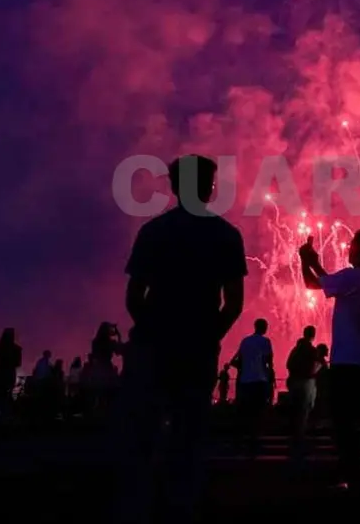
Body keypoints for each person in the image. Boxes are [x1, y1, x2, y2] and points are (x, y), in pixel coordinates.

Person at [116, 154, 247, 524]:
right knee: (190, 433)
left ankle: (138, 506)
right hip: (198, 346)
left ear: (174, 187)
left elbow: (133, 296)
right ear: (209, 188)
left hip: (153, 345)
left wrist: (152, 333)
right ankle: (182, 506)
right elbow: (233, 302)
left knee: (143, 431)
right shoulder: (226, 235)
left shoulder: (153, 232)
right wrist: (209, 336)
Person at [300, 230, 360, 493]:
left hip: (346, 362)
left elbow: (320, 281)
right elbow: (314, 284)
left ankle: (354, 479)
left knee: (343, 423)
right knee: (350, 423)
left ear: (359, 249)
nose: (347, 249)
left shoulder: (354, 277)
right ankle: (353, 475)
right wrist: (307, 261)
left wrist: (310, 259)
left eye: (351, 245)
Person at [233, 318, 273, 458]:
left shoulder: (246, 341)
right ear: (263, 327)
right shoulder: (265, 342)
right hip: (259, 380)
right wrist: (270, 377)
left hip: (245, 380)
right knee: (258, 411)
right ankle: (254, 441)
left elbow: (238, 359)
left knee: (246, 412)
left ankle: (242, 440)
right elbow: (268, 361)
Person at [286, 325, 320, 463]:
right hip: (307, 382)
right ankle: (300, 440)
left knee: (295, 410)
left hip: (294, 381)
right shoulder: (312, 350)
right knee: (304, 411)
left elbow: (288, 364)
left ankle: (294, 438)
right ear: (313, 335)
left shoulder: (295, 349)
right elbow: (315, 366)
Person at [0, 328, 22, 420]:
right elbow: (18, 363)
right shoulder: (16, 349)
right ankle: (5, 415)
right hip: (9, 374)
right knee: (7, 394)